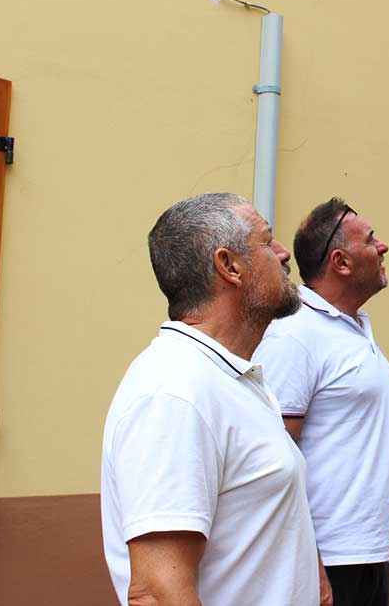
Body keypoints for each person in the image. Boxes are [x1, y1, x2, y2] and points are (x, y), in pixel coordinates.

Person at [101, 192, 319, 606]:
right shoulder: (175, 391)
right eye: (267, 241)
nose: (283, 253)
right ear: (229, 266)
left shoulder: (232, 377)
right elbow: (156, 592)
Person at [253, 198, 389, 606]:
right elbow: (275, 459)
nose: (383, 247)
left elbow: (357, 440)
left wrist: (385, 523)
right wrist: (313, 564)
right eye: (371, 239)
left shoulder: (354, 329)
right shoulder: (294, 334)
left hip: (367, 552)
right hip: (327, 562)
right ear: (341, 262)